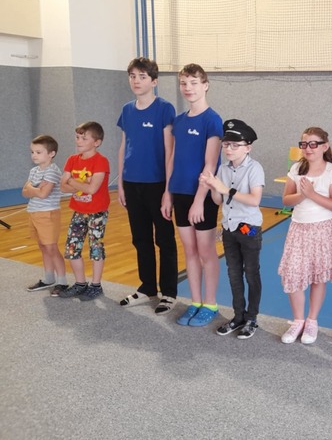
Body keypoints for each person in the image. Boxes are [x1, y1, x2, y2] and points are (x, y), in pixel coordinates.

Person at [117, 57, 179, 314]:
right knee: (140, 238)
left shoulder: (164, 109)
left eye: (142, 77)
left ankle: (169, 292)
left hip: (157, 184)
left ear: (153, 81)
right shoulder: (126, 110)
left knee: (164, 239)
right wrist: (121, 184)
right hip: (132, 184)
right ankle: (148, 287)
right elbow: (124, 147)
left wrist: (168, 191)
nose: (136, 81)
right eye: (132, 76)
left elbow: (169, 151)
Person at [167, 63, 223, 327]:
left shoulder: (212, 120)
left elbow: (210, 164)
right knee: (189, 250)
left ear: (205, 85)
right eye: (183, 83)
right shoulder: (178, 121)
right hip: (179, 192)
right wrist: (167, 193)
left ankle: (210, 303)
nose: (188, 88)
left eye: (193, 82)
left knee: (205, 250)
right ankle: (195, 301)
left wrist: (200, 199)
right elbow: (173, 159)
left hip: (202, 196)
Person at [277, 127, 332, 345]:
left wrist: (312, 194)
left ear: (325, 147)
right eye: (304, 144)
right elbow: (286, 200)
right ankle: (298, 320)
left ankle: (312, 320)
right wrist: (302, 195)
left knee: (318, 276)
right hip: (299, 229)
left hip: (322, 230)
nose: (308, 148)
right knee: (293, 273)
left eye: (314, 144)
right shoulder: (297, 168)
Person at [199, 119, 264, 339]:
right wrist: (212, 186)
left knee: (251, 273)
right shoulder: (223, 168)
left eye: (235, 145)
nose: (229, 149)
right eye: (226, 144)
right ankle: (238, 316)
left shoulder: (254, 168)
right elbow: (219, 200)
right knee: (234, 273)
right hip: (229, 227)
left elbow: (254, 200)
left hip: (249, 228)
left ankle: (252, 318)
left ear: (248, 147)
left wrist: (226, 189)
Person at [58, 122, 110, 301]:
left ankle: (96, 285)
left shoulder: (101, 161)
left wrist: (72, 181)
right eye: (77, 137)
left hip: (97, 212)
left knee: (96, 248)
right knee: (72, 248)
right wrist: (82, 184)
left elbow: (92, 189)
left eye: (84, 138)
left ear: (96, 142)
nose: (78, 141)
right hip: (78, 211)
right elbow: (62, 187)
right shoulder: (72, 159)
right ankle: (80, 283)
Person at [23, 135, 67, 294]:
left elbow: (43, 194)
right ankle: (49, 278)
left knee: (51, 248)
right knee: (43, 246)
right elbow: (24, 192)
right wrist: (35, 189)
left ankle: (62, 281)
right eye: (32, 152)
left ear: (51, 154)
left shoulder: (52, 171)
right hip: (34, 212)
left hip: (48, 214)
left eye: (38, 152)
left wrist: (32, 189)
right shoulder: (34, 171)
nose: (34, 155)